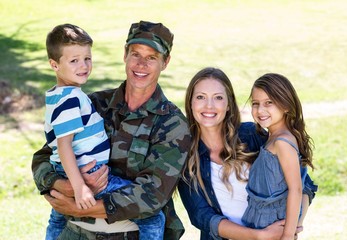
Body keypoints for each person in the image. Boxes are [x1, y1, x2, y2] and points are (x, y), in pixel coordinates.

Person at [32, 20, 191, 240]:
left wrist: (81, 207)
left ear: (165, 62)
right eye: (135, 54)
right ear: (125, 54)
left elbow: (151, 196)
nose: (141, 64)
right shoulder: (94, 103)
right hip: (75, 233)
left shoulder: (172, 125)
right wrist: (64, 185)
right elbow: (44, 157)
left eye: (152, 57)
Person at [178, 67, 317, 240]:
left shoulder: (251, 136)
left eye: (218, 98)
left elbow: (303, 185)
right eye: (200, 97)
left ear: (229, 104)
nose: (209, 106)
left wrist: (290, 228)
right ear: (190, 103)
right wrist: (259, 235)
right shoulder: (184, 155)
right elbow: (202, 216)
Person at [241, 73, 315, 239]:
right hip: (260, 222)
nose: (260, 110)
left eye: (269, 103)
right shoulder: (272, 138)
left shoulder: (282, 142)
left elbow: (296, 189)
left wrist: (288, 235)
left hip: (272, 225)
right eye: (255, 103)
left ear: (286, 105)